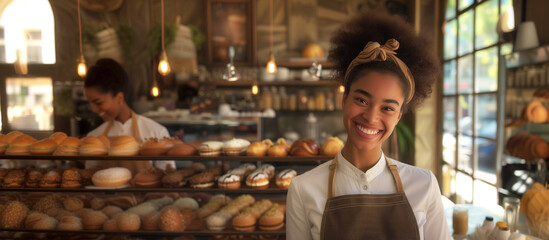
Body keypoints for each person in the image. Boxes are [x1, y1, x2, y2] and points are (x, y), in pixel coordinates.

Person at [286, 13, 450, 240]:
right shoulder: (303, 189)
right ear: (344, 100)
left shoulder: (424, 185)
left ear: (399, 116)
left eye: (387, 108)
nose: (371, 118)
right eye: (361, 100)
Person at [84, 58, 175, 171]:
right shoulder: (94, 137)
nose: (93, 109)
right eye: (90, 103)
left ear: (119, 97)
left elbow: (169, 179)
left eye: (98, 103)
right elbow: (90, 180)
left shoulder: (156, 132)